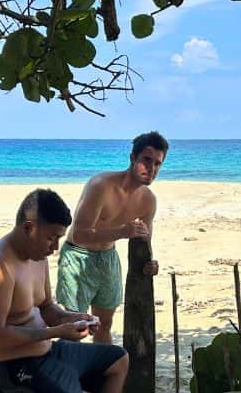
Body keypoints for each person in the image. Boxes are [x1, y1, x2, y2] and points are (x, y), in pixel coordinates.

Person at [0, 188, 128, 393]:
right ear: (29, 228)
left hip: (46, 354)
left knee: (117, 361)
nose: (55, 248)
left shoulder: (37, 258)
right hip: (8, 370)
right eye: (52, 238)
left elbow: (47, 306)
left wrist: (73, 318)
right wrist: (55, 332)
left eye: (59, 238)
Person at [56, 131, 168, 344]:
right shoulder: (101, 185)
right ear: (133, 158)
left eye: (157, 164)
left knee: (104, 325)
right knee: (76, 326)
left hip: (108, 258)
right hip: (77, 256)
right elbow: (79, 233)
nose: (151, 168)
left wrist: (150, 262)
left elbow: (145, 240)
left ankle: (101, 364)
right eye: (146, 160)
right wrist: (122, 232)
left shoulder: (148, 201)